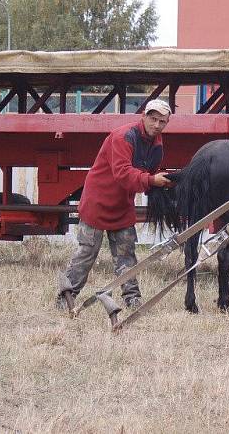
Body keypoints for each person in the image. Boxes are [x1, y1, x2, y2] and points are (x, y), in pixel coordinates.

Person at [58, 99, 173, 310]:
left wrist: (160, 184)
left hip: (122, 204)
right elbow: (123, 174)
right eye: (153, 119)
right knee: (87, 252)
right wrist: (151, 180)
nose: (156, 125)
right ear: (143, 116)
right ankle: (65, 298)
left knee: (126, 254)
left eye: (162, 121)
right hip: (98, 201)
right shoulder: (123, 137)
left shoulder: (157, 143)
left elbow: (147, 173)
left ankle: (132, 299)